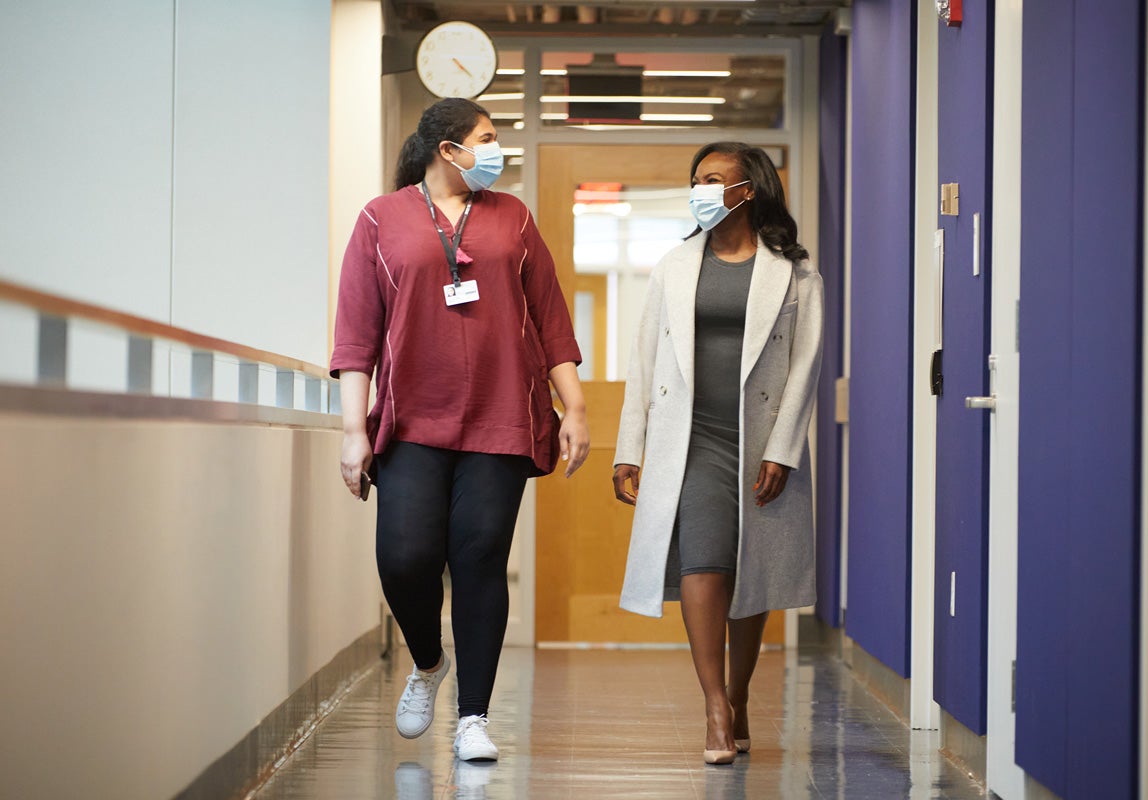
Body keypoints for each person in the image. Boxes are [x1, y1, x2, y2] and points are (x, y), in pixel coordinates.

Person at [331, 98, 589, 763]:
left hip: (502, 417)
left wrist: (576, 410)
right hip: (412, 418)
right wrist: (353, 431)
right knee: (406, 558)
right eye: (487, 139)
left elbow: (551, 319)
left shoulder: (514, 219)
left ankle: (472, 717)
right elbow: (356, 335)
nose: (496, 151)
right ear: (448, 149)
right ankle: (427, 661)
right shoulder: (380, 219)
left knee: (478, 562)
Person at [612, 142, 823, 765]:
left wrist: (783, 449)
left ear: (746, 189)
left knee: (748, 570)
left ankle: (738, 694)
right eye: (695, 180)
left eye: (711, 179)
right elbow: (643, 360)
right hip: (692, 438)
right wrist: (631, 446)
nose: (699, 189)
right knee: (702, 562)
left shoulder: (794, 272)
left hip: (759, 441)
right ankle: (712, 707)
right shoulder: (674, 266)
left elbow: (806, 366)